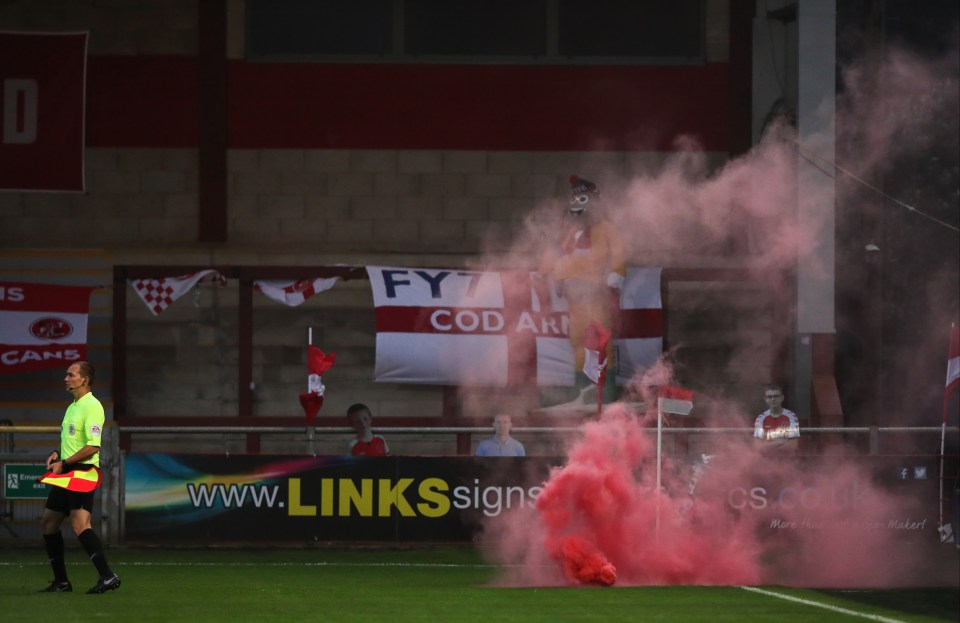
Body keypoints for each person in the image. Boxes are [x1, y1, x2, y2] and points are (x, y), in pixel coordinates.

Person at [538, 175, 625, 401]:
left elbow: (619, 255)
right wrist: (549, 274)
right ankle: (581, 389)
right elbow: (554, 256)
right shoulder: (568, 233)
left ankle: (606, 389)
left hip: (596, 293)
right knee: (577, 341)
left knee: (601, 339)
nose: (578, 203)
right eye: (575, 198)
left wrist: (615, 275)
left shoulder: (607, 229)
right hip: (573, 297)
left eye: (582, 198)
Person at [40, 361, 121, 594]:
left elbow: (92, 447)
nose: (66, 378)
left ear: (84, 380)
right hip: (66, 472)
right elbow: (72, 443)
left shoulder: (92, 406)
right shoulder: (72, 406)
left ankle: (107, 576)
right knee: (48, 522)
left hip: (82, 473)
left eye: (70, 375)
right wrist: (57, 453)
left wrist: (63, 463)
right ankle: (62, 582)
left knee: (80, 524)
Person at [753, 384, 800, 451]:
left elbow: (793, 445)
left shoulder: (791, 416)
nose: (773, 399)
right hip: (766, 459)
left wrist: (766, 445)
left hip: (786, 459)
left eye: (776, 396)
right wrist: (779, 443)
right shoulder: (761, 418)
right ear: (765, 399)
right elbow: (757, 446)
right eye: (769, 397)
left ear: (782, 398)